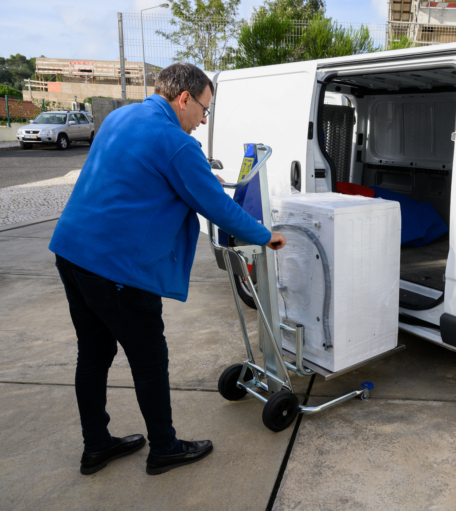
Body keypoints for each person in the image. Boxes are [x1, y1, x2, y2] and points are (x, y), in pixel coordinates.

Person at [49, 62, 287, 476]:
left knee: (93, 354)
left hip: (71, 251)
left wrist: (195, 175)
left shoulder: (120, 116)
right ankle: (164, 448)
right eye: (204, 109)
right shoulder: (176, 143)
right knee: (149, 360)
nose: (203, 120)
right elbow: (218, 208)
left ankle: (96, 445)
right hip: (115, 267)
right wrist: (266, 236)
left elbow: (134, 176)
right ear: (184, 99)